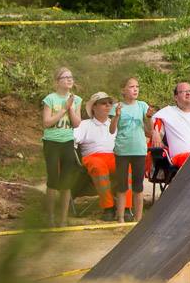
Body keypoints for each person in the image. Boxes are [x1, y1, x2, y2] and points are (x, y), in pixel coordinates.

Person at [40, 66, 83, 224]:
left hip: (67, 142)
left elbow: (77, 123)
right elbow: (46, 122)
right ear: (57, 82)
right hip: (51, 142)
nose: (69, 79)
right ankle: (50, 216)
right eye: (65, 77)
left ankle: (63, 218)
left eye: (71, 77)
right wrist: (63, 108)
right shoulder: (50, 99)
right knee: (52, 180)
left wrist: (70, 107)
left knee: (66, 182)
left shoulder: (76, 99)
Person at [73, 92, 126, 219]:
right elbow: (72, 141)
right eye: (103, 103)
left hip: (113, 156)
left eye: (109, 103)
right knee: (98, 166)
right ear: (94, 107)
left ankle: (126, 208)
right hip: (92, 157)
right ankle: (108, 207)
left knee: (126, 166)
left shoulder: (115, 123)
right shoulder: (84, 124)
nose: (108, 106)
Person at [109, 76, 153, 222]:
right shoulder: (117, 107)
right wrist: (116, 116)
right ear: (123, 90)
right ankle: (120, 217)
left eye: (137, 87)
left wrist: (149, 117)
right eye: (131, 87)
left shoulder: (142, 106)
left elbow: (149, 130)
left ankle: (138, 219)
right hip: (122, 151)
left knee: (138, 186)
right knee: (122, 186)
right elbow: (111, 130)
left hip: (139, 150)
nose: (135, 89)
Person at [152, 81, 190, 166]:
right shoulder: (168, 112)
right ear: (176, 97)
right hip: (182, 159)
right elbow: (148, 124)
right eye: (183, 92)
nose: (188, 93)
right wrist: (155, 132)